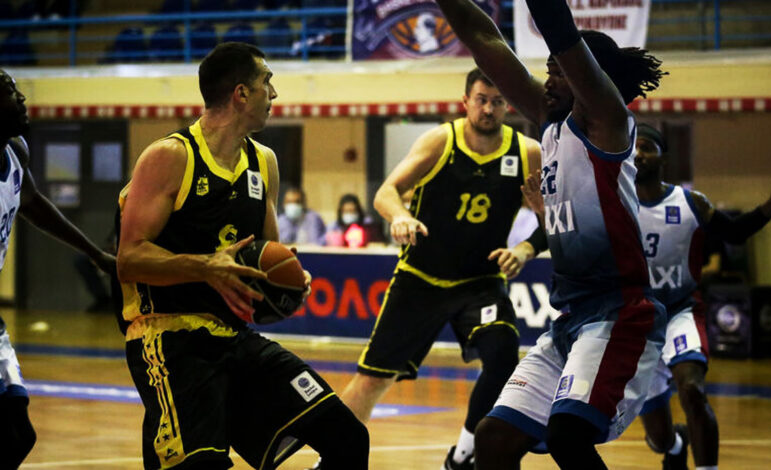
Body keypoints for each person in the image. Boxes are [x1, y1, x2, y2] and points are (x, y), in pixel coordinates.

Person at [435, 0, 668, 468]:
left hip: (617, 315)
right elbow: (484, 40)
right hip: (569, 319)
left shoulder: (607, 120)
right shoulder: (551, 126)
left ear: (590, 78)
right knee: (494, 438)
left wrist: (566, 49)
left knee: (568, 435)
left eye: (559, 73)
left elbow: (560, 29)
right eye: (548, 72)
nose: (548, 82)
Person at [115, 43, 368, 470]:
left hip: (234, 337)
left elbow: (267, 253)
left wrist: (288, 280)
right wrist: (205, 267)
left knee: (348, 437)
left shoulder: (264, 162)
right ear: (241, 93)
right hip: (169, 336)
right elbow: (128, 258)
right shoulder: (171, 156)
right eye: (267, 81)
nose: (275, 93)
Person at [338, 68, 541, 470]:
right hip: (422, 279)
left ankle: (463, 454)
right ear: (465, 101)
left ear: (508, 106)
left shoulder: (526, 152)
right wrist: (400, 216)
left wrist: (525, 248)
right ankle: (333, 456)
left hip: (481, 282)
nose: (488, 109)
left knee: (503, 356)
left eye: (497, 101)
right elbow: (386, 192)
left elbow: (555, 217)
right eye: (481, 99)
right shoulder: (440, 141)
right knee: (373, 378)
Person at [634, 123, 771, 470]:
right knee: (659, 438)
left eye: (647, 147)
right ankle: (676, 444)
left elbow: (734, 233)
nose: (638, 154)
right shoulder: (615, 203)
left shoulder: (691, 202)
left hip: (680, 312)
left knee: (693, 390)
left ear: (664, 159)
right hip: (637, 323)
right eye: (633, 147)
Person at [0, 68, 116, 469]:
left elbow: (33, 203)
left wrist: (95, 254)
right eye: (10, 91)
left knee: (19, 434)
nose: (22, 99)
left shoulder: (16, 151)